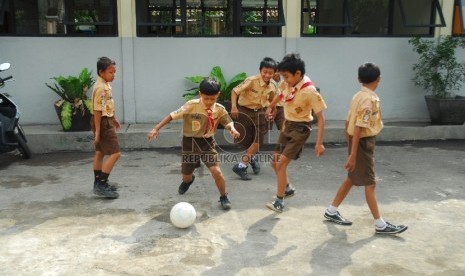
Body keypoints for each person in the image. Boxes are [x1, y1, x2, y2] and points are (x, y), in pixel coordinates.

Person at [323, 62, 408, 235]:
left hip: (357, 142)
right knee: (370, 183)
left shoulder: (358, 96)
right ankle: (380, 224)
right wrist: (353, 154)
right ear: (379, 79)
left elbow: (348, 122)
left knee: (352, 179)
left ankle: (331, 210)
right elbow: (358, 127)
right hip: (362, 143)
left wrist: (350, 148)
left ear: (359, 79)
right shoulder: (369, 100)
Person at [148, 77, 240, 210]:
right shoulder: (191, 105)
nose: (209, 102)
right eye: (206, 98)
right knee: (186, 175)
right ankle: (188, 181)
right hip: (190, 143)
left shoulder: (219, 108)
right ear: (200, 94)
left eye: (212, 99)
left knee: (217, 172)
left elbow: (227, 121)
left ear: (218, 95)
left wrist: (232, 129)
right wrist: (156, 128)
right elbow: (172, 116)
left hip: (207, 143)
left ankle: (223, 196)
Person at [265, 53, 327, 212]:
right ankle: (287, 188)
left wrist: (319, 143)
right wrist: (271, 106)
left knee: (281, 164)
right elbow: (280, 94)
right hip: (287, 126)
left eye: (286, 76)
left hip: (301, 129)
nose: (284, 80)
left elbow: (320, 118)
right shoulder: (288, 83)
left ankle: (279, 201)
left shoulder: (310, 91)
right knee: (274, 162)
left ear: (298, 73)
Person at [231, 57, 277, 180]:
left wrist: (271, 111)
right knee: (246, 140)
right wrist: (234, 107)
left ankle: (241, 166)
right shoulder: (251, 81)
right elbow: (234, 91)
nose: (267, 75)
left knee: (258, 140)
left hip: (260, 113)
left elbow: (273, 100)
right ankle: (252, 158)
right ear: (260, 70)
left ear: (274, 73)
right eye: (265, 72)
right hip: (245, 112)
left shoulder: (272, 85)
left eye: (270, 73)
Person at [91, 57, 120, 199]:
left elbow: (107, 105)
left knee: (100, 152)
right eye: (110, 72)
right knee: (115, 153)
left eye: (114, 72)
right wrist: (98, 131)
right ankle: (102, 184)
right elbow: (97, 110)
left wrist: (113, 118)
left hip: (106, 120)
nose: (113, 75)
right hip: (102, 122)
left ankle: (98, 183)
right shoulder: (101, 88)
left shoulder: (105, 84)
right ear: (101, 72)